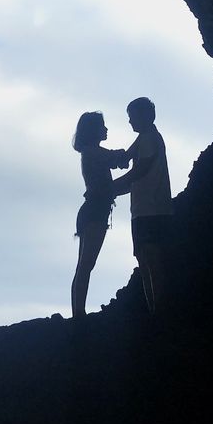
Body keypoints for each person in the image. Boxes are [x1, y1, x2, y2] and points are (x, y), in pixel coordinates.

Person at [112, 97, 173, 316]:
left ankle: (159, 313)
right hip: (149, 209)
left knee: (151, 262)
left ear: (145, 116)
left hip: (150, 210)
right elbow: (127, 158)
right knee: (148, 261)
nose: (130, 122)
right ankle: (156, 312)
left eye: (132, 117)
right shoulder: (147, 138)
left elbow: (140, 171)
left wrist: (109, 188)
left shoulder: (148, 138)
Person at [70, 111, 130, 320]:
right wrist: (134, 152)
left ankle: (78, 312)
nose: (106, 129)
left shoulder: (90, 152)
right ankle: (79, 314)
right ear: (93, 130)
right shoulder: (93, 152)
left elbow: (116, 161)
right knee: (86, 264)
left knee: (84, 265)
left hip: (93, 209)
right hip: (95, 210)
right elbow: (118, 158)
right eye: (102, 126)